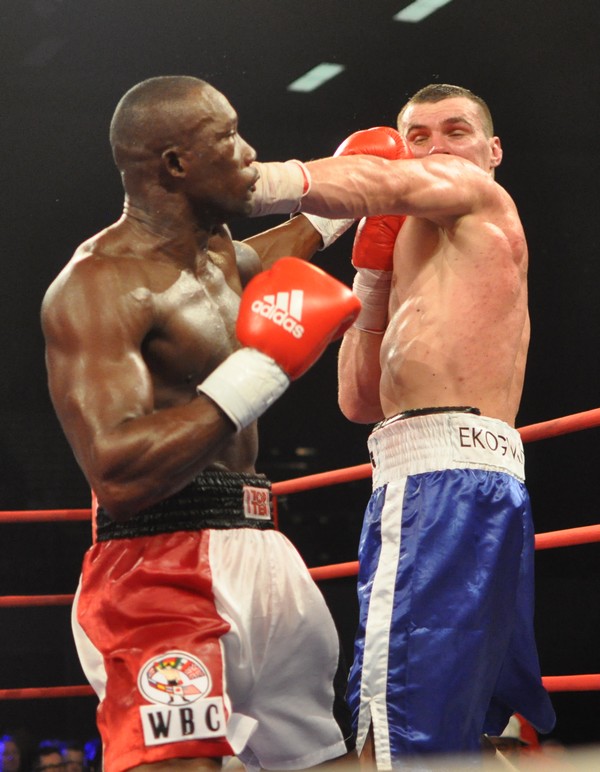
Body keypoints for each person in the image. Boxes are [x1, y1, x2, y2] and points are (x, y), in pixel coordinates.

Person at [41, 75, 360, 772]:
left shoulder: (221, 256)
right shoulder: (98, 284)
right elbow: (116, 473)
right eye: (228, 137)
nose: (248, 153)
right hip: (157, 567)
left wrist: (352, 196)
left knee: (319, 761)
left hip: (263, 546)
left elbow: (270, 257)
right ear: (176, 164)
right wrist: (263, 371)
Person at [248, 83, 556, 767]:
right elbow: (359, 400)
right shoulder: (418, 239)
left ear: (493, 151)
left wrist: (255, 184)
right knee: (470, 727)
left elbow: (381, 180)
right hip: (451, 482)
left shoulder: (479, 196)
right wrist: (370, 272)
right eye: (418, 136)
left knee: (395, 732)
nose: (436, 147)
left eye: (456, 132)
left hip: (439, 491)